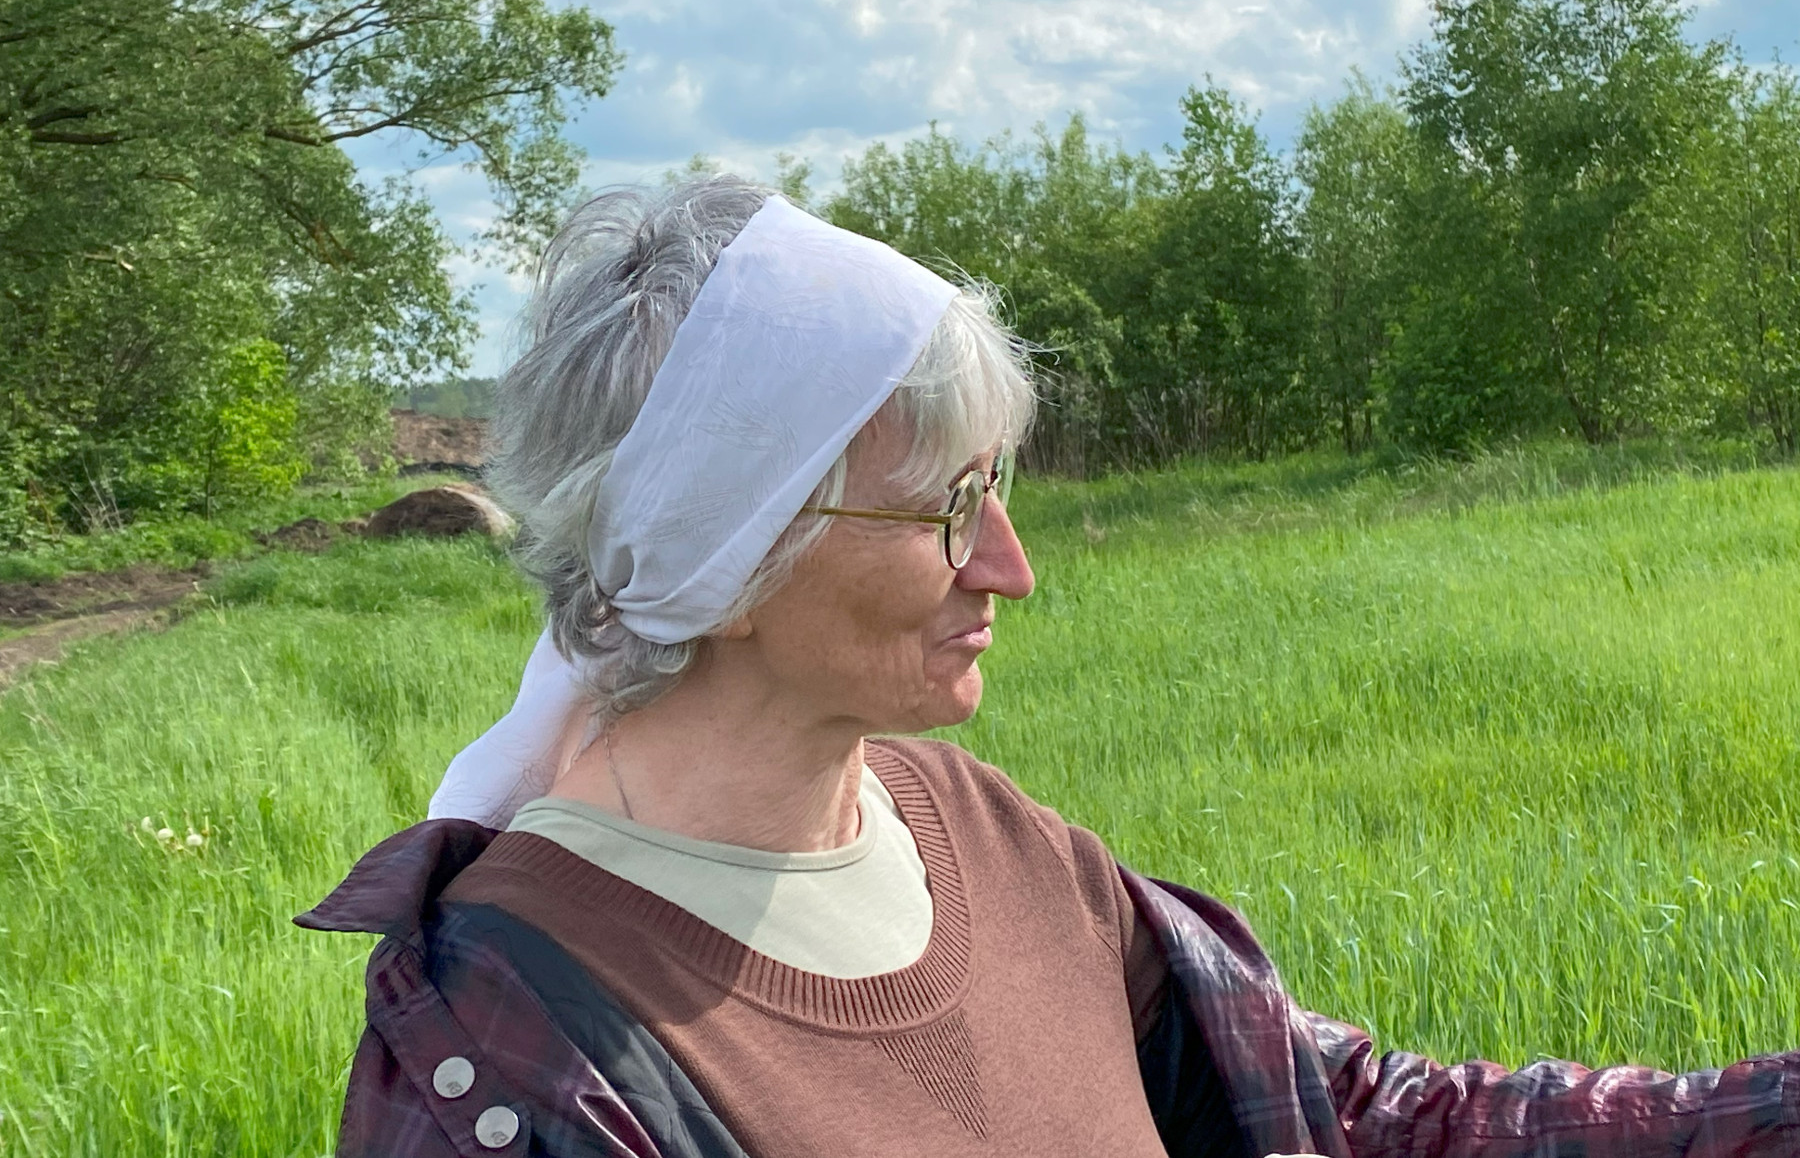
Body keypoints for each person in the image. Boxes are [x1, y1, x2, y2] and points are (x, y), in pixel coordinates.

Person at [299, 178, 1800, 1158]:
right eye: (950, 506)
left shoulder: (986, 838)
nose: (1009, 563)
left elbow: (1347, 1114)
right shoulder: (516, 1046)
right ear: (726, 556)